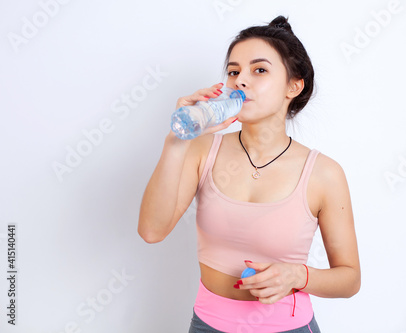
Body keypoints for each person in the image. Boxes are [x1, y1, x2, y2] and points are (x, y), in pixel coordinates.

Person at [138, 15, 360, 333]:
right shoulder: (203, 151)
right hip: (207, 325)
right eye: (233, 71)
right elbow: (151, 231)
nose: (241, 80)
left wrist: (299, 276)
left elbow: (350, 278)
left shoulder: (324, 174)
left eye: (259, 70)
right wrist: (177, 141)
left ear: (293, 86)